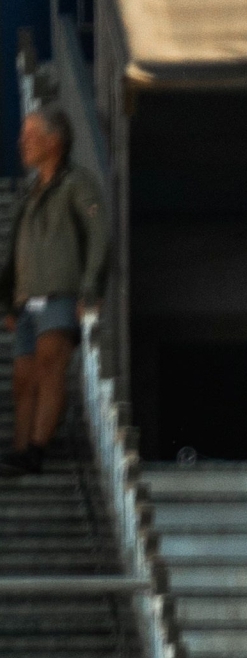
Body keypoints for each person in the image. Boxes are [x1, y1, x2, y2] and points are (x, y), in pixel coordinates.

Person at [1, 107, 110, 476]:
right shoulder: (29, 193)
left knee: (50, 365)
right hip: (26, 300)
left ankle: (36, 449)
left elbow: (98, 233)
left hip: (60, 294)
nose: (22, 143)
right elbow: (14, 249)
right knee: (23, 377)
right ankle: (20, 449)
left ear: (54, 141)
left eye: (31, 136)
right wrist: (9, 300)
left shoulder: (77, 183)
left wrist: (90, 286)